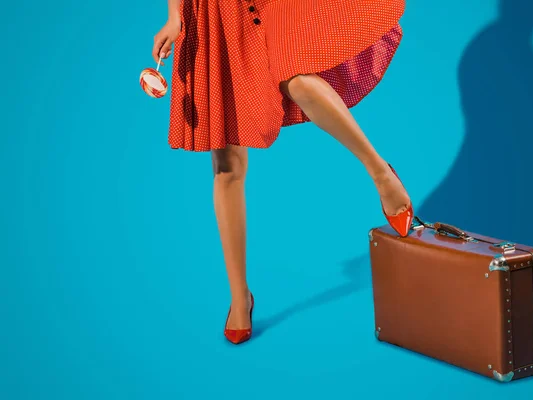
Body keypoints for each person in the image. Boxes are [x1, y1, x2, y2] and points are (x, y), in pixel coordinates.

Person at [152, 0, 412, 345]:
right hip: (211, 10)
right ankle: (239, 296)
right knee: (227, 163)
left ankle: (382, 175)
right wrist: (174, 16)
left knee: (298, 77)